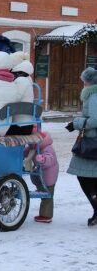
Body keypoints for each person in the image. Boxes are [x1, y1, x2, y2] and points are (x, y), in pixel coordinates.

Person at [66, 67, 97, 226]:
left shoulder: (93, 95)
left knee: (84, 177)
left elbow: (95, 120)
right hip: (92, 142)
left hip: (91, 143)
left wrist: (77, 123)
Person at [24, 131, 58, 223]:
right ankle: (44, 213)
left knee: (48, 196)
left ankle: (46, 216)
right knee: (44, 193)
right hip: (40, 174)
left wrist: (43, 159)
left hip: (49, 175)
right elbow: (26, 152)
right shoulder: (34, 147)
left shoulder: (47, 148)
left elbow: (50, 159)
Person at [6, 52, 35, 135]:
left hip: (20, 125)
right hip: (25, 124)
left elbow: (15, 98)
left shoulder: (21, 80)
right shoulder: (27, 79)